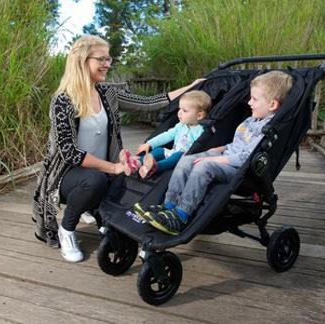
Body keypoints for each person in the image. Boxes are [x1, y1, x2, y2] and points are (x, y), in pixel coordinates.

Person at [32, 35, 203, 262]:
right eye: (101, 59)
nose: (108, 64)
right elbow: (68, 152)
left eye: (109, 58)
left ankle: (93, 209)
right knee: (95, 181)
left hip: (100, 167)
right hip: (65, 174)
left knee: (130, 179)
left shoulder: (106, 92)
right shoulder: (63, 100)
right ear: (82, 61)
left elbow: (149, 102)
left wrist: (190, 88)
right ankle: (67, 229)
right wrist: (113, 167)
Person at [133, 71, 293, 235]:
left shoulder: (268, 129)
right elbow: (238, 144)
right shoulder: (251, 120)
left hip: (240, 168)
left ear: (272, 105)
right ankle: (169, 206)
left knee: (204, 167)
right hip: (226, 156)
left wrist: (218, 159)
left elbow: (248, 156)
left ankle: (181, 215)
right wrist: (220, 149)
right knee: (186, 159)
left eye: (255, 99)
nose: (249, 102)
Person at [119, 90, 212, 179]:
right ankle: (136, 163)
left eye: (185, 110)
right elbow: (167, 135)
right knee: (159, 150)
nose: (179, 113)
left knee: (177, 156)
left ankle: (154, 167)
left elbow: (200, 147)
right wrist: (150, 143)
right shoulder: (181, 126)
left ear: (199, 115)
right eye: (179, 108)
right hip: (173, 152)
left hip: (184, 158)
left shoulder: (201, 130)